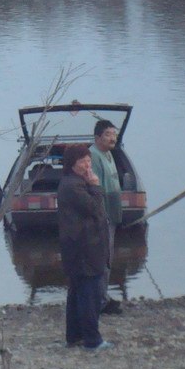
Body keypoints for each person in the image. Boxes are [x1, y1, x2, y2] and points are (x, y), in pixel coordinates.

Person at [57, 144, 114, 351]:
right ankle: (92, 340)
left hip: (78, 247)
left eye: (89, 160)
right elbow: (95, 209)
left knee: (77, 292)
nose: (88, 165)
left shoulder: (74, 183)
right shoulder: (73, 186)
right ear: (72, 164)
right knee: (90, 294)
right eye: (83, 161)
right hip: (85, 248)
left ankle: (74, 336)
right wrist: (96, 186)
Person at [89, 119, 123, 315]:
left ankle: (103, 296)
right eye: (108, 134)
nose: (113, 138)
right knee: (102, 259)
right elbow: (96, 191)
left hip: (112, 214)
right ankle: (99, 300)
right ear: (97, 137)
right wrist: (102, 217)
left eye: (114, 134)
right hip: (103, 218)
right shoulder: (94, 156)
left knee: (108, 258)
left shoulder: (109, 153)